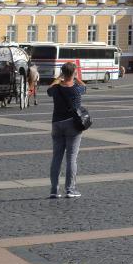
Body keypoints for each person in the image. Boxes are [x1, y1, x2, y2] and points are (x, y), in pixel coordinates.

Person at [47, 61, 87, 199]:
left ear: (63, 73)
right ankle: (70, 189)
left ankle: (54, 190)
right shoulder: (77, 89)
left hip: (57, 124)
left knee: (56, 158)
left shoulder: (57, 88)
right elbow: (85, 87)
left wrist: (59, 78)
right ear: (74, 73)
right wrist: (75, 78)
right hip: (73, 125)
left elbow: (48, 90)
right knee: (71, 158)